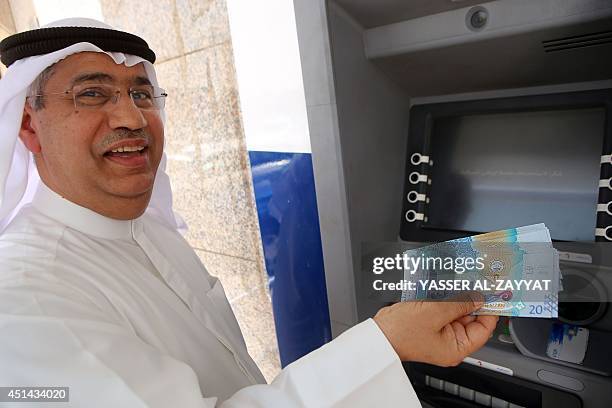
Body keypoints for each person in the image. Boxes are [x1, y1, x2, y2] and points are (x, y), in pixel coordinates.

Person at [0, 18, 498, 407]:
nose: (132, 117)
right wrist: (385, 344)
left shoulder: (140, 229)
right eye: (91, 93)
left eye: (141, 93)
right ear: (28, 124)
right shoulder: (24, 300)